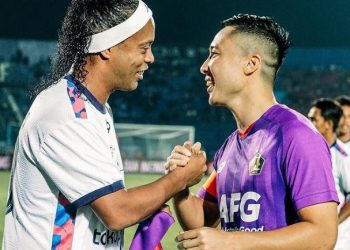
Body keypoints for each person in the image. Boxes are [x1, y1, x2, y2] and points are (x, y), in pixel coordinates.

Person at [2, 0, 207, 249]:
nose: (151, 58)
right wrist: (180, 178)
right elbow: (117, 212)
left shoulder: (92, 109)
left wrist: (155, 199)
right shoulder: (67, 116)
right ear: (108, 47)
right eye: (144, 48)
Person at [165, 14, 339, 249]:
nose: (204, 66)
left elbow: (323, 236)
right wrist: (180, 185)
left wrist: (230, 241)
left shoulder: (296, 135)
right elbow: (202, 220)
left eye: (214, 54)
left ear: (251, 64)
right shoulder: (230, 146)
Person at [308, 98, 350, 250]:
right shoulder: (309, 153)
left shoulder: (342, 157)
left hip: (339, 242)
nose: (308, 123)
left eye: (313, 119)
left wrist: (333, 224)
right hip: (313, 236)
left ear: (328, 125)